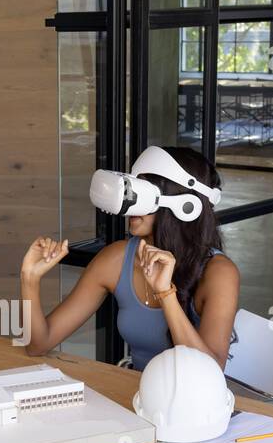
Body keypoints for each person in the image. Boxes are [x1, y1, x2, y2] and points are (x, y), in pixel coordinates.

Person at [20, 146, 239, 370]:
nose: (131, 205)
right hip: (134, 388)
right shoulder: (116, 259)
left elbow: (209, 372)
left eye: (143, 195)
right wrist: (29, 280)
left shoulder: (219, 273)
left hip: (195, 393)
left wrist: (166, 294)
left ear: (186, 205)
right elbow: (38, 345)